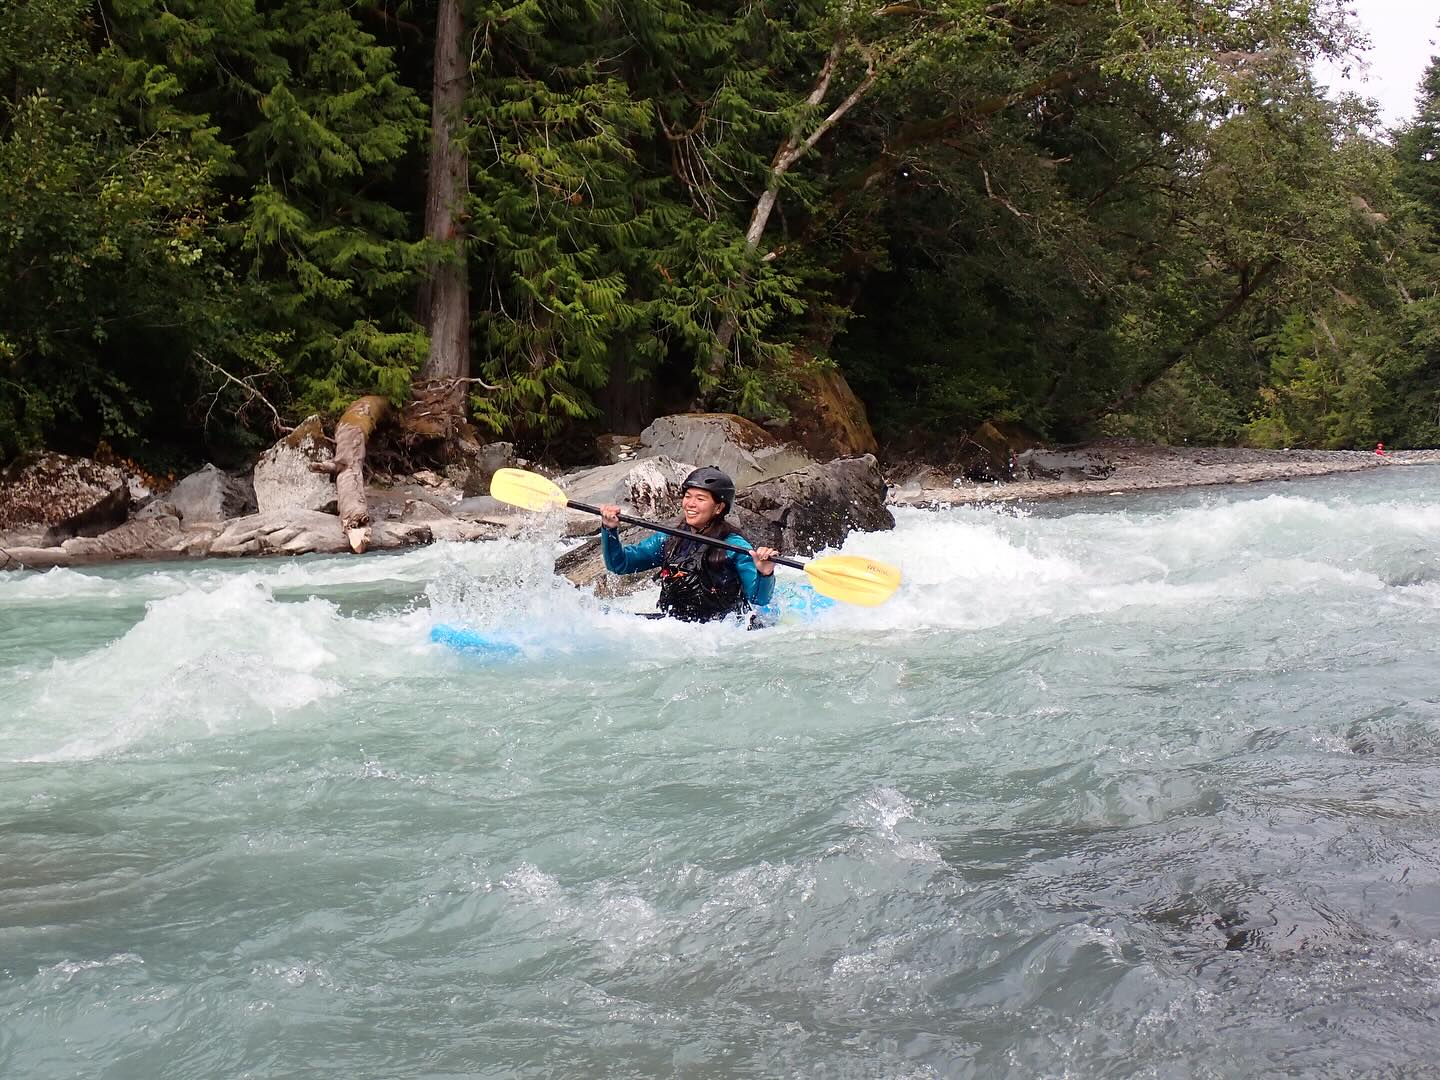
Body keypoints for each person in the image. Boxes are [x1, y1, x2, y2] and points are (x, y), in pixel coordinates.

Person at [598, 466, 780, 623]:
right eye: (688, 496)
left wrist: (765, 573)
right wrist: (609, 529)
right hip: (677, 625)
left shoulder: (734, 547)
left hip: (724, 628)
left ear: (718, 508)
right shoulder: (669, 540)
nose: (690, 504)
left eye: (700, 499)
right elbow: (619, 564)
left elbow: (759, 599)